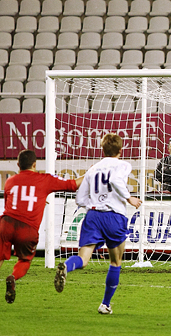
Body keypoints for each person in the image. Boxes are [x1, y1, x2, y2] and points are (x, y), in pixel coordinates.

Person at [54, 133, 142, 315]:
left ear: (102, 149)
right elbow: (115, 180)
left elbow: (79, 198)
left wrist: (95, 204)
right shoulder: (124, 164)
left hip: (93, 216)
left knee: (84, 260)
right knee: (115, 261)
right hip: (113, 216)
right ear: (120, 150)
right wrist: (129, 198)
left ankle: (66, 267)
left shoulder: (93, 169)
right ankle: (105, 304)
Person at [1, 149, 83, 304]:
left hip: (7, 222)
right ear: (34, 164)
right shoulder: (44, 179)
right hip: (27, 228)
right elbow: (72, 185)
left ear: (18, 165)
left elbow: (9, 203)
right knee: (24, 260)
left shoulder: (10, 181)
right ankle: (13, 277)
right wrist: (91, 173)